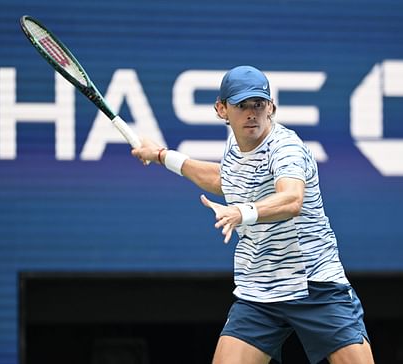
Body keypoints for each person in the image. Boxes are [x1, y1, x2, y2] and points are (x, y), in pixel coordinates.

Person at [131, 65, 375, 364]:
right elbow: (225, 178)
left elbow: (291, 199)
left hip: (314, 284)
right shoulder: (237, 142)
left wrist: (242, 212)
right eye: (241, 105)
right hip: (260, 291)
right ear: (222, 110)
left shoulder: (286, 148)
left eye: (258, 105)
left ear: (271, 107)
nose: (251, 113)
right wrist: (161, 156)